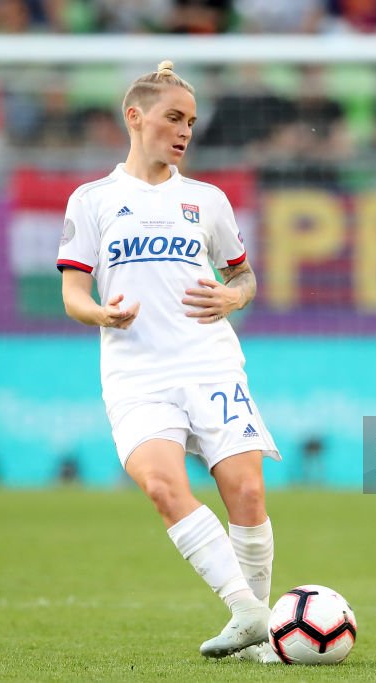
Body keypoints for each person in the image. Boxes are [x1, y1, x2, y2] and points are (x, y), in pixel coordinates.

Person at [56, 60, 280, 663]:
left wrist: (234, 296)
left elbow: (245, 276)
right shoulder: (94, 200)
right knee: (161, 485)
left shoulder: (206, 201)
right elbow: (73, 293)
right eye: (173, 117)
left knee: (248, 494)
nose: (184, 131)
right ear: (135, 117)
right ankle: (249, 612)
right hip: (136, 373)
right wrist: (100, 314)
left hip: (210, 365)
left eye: (191, 122)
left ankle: (252, 641)